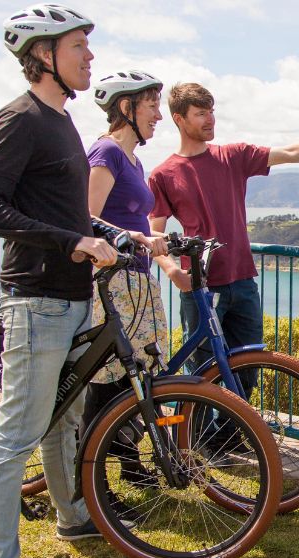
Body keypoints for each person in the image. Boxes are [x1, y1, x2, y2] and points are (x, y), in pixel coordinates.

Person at [0, 5, 119, 558]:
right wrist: (71, 240)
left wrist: (113, 235)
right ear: (44, 55)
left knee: (64, 422)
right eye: (79, 45)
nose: (90, 56)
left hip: (71, 296)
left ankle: (73, 519)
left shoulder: (62, 122)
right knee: (17, 437)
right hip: (36, 299)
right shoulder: (20, 118)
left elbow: (63, 210)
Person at [148, 82, 299, 381]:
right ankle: (196, 430)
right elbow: (155, 233)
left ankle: (235, 430)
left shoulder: (233, 156)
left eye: (212, 112)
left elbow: (291, 152)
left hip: (243, 282)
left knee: (248, 372)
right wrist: (172, 271)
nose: (211, 119)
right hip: (200, 287)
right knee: (203, 378)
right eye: (201, 113)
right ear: (179, 119)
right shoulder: (163, 174)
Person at [84, 70, 170, 484]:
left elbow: (124, 220)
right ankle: (93, 479)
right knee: (108, 379)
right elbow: (88, 219)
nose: (158, 114)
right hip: (111, 280)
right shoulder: (107, 153)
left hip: (134, 277)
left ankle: (129, 464)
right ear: (126, 107)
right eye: (151, 104)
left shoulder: (133, 159)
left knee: (133, 375)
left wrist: (154, 238)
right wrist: (135, 237)